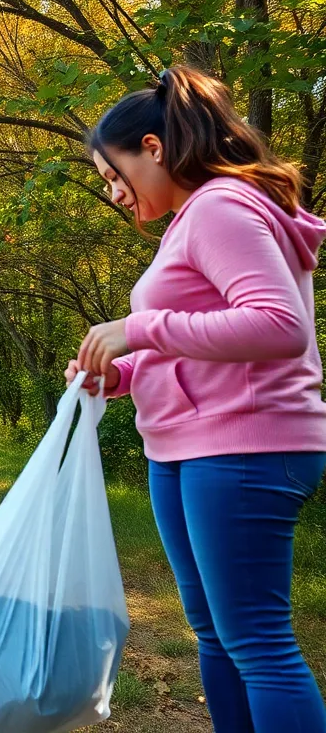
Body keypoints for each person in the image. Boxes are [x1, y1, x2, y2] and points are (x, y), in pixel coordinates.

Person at [67, 66, 326, 732]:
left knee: (259, 645)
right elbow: (197, 341)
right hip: (190, 447)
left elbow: (278, 326)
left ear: (153, 148)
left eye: (114, 174)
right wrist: (119, 375)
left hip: (245, 444)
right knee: (216, 634)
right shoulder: (193, 219)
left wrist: (139, 327)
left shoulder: (221, 206)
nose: (114, 194)